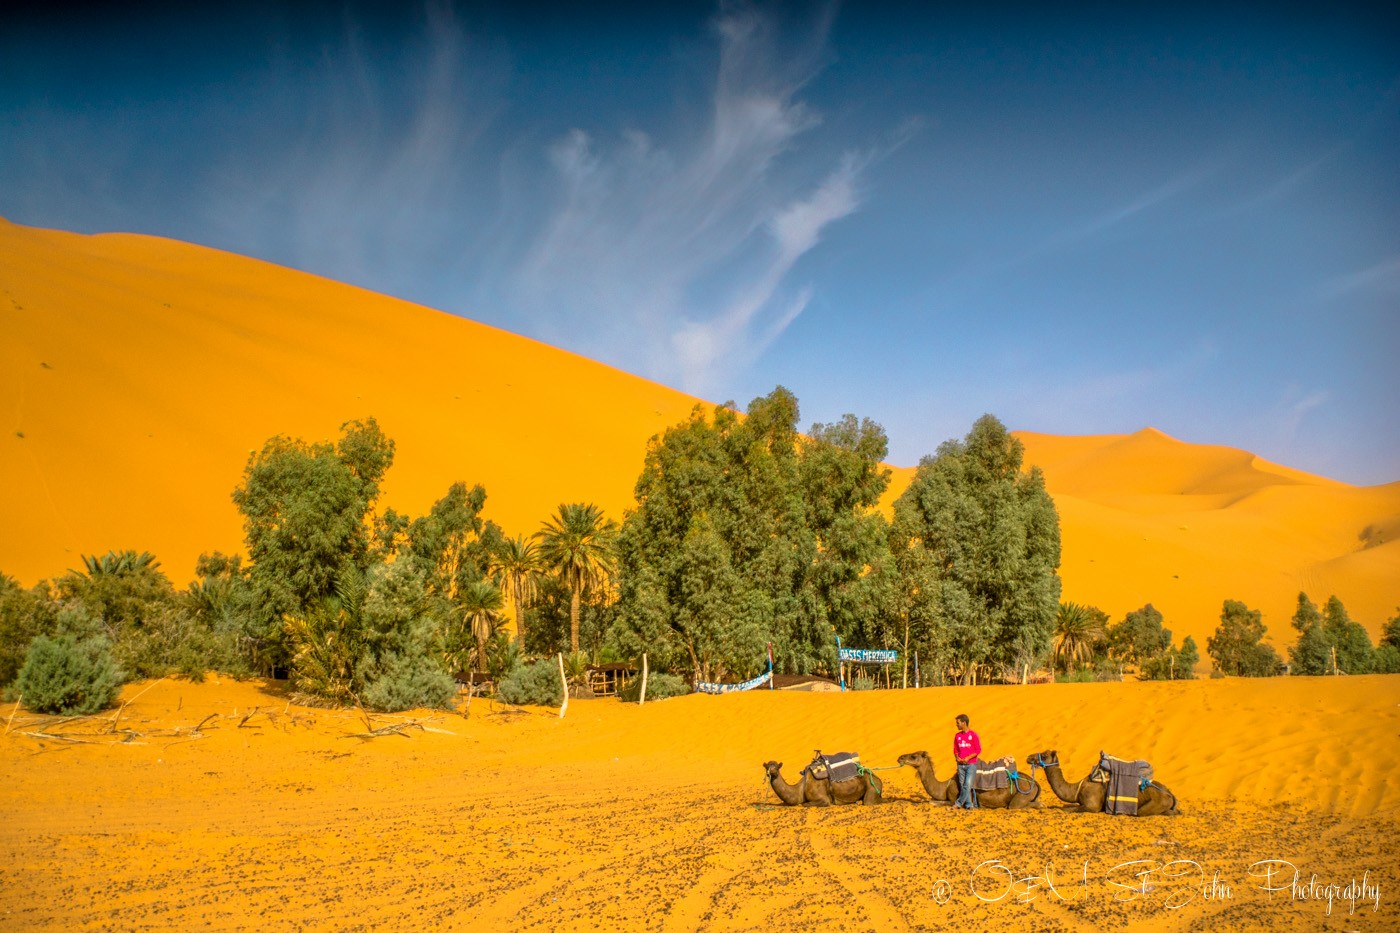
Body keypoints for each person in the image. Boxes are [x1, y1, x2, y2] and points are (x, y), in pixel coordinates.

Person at [953, 713, 980, 809]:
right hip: (960, 765)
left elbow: (978, 750)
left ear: (964, 723)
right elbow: (955, 749)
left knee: (967, 784)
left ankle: (958, 803)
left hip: (971, 765)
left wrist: (968, 758)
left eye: (958, 723)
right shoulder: (957, 736)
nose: (957, 725)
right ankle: (969, 805)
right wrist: (957, 757)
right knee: (963, 785)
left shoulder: (973, 735)